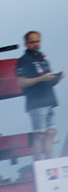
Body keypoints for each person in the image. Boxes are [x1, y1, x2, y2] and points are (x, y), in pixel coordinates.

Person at [17, 30, 61, 160]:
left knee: (51, 132)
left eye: (37, 41)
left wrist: (57, 78)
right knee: (39, 134)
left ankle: (49, 162)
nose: (36, 44)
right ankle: (38, 164)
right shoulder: (24, 60)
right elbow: (21, 82)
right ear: (26, 44)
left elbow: (49, 81)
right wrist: (41, 78)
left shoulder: (43, 59)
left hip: (49, 100)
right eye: (32, 42)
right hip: (36, 103)